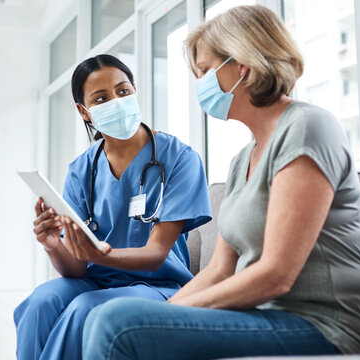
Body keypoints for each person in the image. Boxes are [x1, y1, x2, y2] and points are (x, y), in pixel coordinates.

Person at [82, 5, 360, 360]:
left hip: (325, 325)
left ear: (243, 64)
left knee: (117, 321)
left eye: (206, 70)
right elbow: (220, 269)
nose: (200, 84)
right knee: (104, 316)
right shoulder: (242, 161)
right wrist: (161, 313)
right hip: (263, 316)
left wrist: (163, 314)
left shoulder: (306, 128)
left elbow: (276, 276)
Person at [13, 54, 212, 360]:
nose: (116, 102)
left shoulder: (179, 158)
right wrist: (53, 245)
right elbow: (77, 268)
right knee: (40, 302)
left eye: (123, 91)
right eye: (102, 98)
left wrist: (98, 254)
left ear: (135, 91)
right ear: (85, 111)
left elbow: (156, 255)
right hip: (94, 281)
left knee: (84, 309)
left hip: (158, 286)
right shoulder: (81, 170)